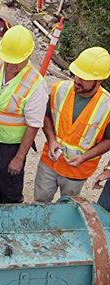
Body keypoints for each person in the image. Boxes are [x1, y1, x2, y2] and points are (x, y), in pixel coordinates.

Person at [0, 25, 48, 204]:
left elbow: (34, 125)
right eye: (7, 60)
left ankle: (10, 224)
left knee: (10, 191)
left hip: (11, 147)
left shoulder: (35, 84)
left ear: (28, 55)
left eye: (15, 61)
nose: (10, 65)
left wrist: (19, 158)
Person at [34, 47, 110, 203]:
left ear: (99, 81)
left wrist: (84, 157)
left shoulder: (107, 105)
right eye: (77, 75)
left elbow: (108, 141)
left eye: (84, 78)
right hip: (50, 162)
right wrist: (52, 140)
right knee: (41, 201)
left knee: (67, 207)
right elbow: (46, 116)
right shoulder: (59, 89)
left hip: (77, 171)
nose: (77, 80)